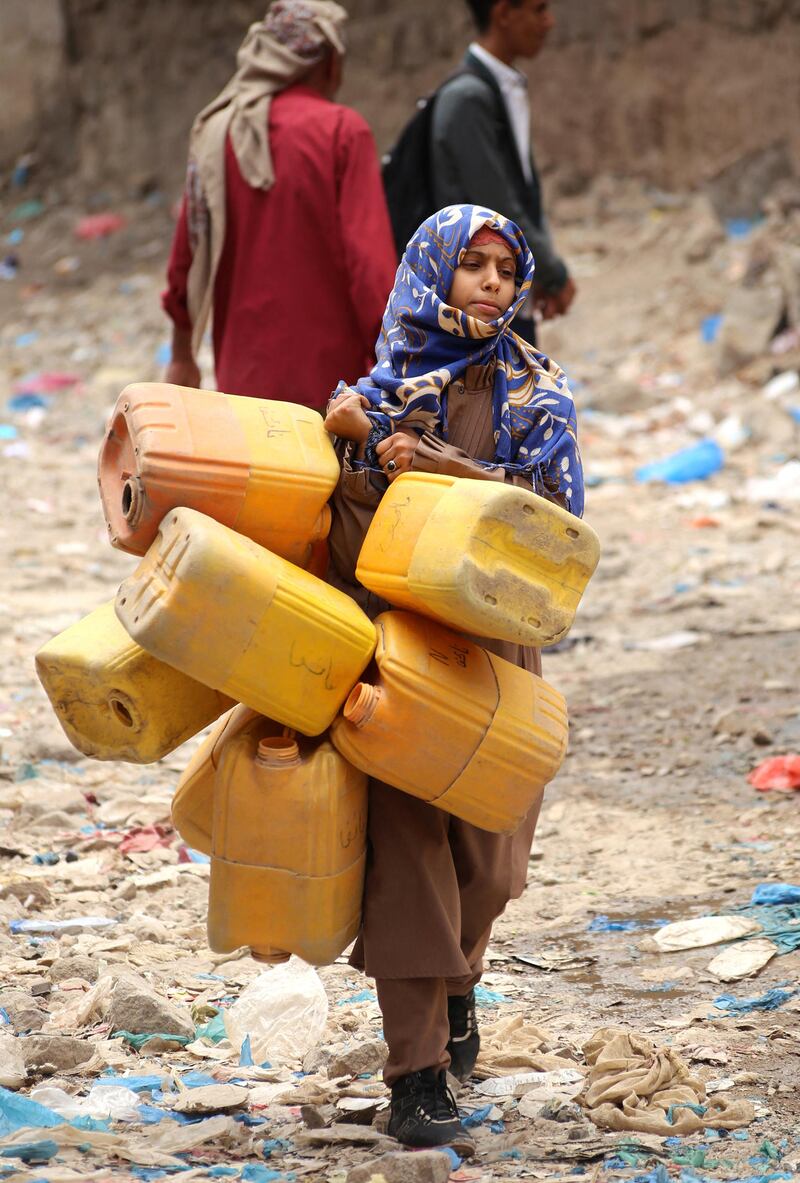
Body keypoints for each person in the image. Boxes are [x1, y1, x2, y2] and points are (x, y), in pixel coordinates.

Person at [324, 204, 583, 1152]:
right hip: (395, 649)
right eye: (469, 265)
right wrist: (351, 451)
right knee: (410, 849)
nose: (489, 282)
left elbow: (555, 530)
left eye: (503, 270)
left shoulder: (537, 397)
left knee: (492, 859)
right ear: (431, 273)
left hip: (500, 649)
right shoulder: (375, 392)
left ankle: (458, 982)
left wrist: (441, 463)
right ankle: (416, 1069)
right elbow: (342, 538)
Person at [161, 0, 397, 410]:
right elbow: (371, 272)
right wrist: (396, 366)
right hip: (336, 390)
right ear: (327, 62)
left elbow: (187, 259)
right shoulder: (343, 132)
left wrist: (183, 356)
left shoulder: (217, 133)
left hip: (242, 388)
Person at [426, 0, 575, 344]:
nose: (548, 22)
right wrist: (554, 274)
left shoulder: (499, 88)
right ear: (504, 14)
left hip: (497, 299)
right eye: (538, 10)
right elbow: (499, 207)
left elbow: (520, 194)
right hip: (477, 309)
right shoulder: (469, 98)